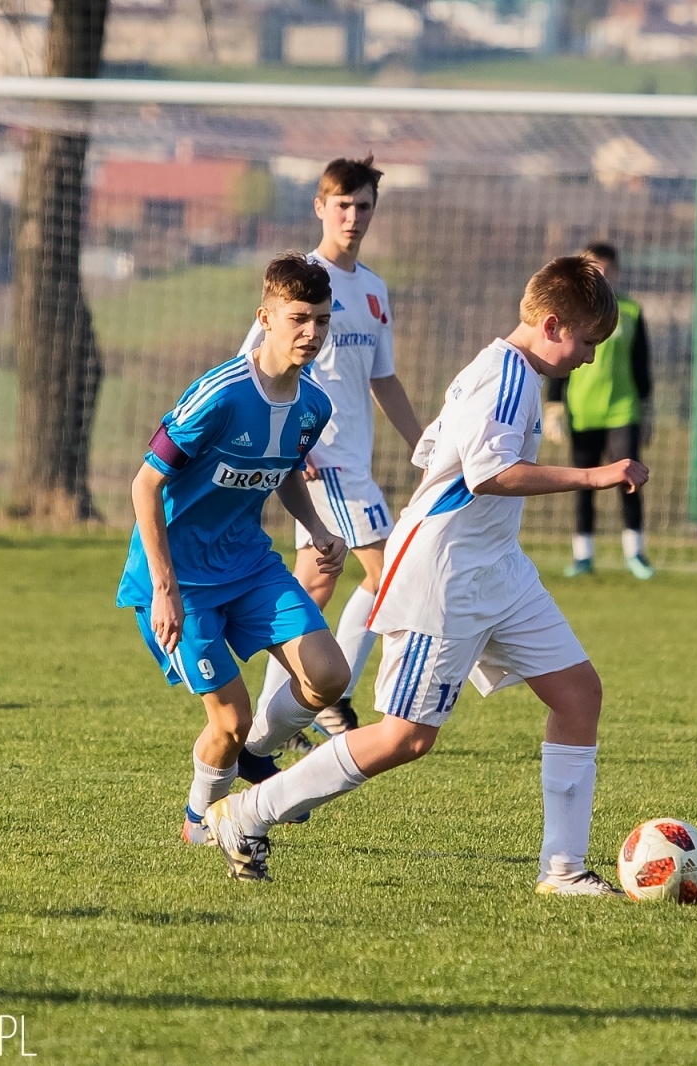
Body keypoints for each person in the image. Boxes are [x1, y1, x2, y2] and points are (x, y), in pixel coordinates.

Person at [203, 255, 648, 890]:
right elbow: (486, 473)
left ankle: (564, 870)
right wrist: (595, 475)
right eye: (585, 342)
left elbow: (433, 448)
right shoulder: (507, 379)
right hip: (447, 576)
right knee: (406, 738)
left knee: (578, 695)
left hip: (499, 568)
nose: (589, 358)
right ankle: (248, 812)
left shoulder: (499, 369)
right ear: (551, 325)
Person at [118, 253, 353, 845]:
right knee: (229, 719)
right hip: (181, 581)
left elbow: (285, 469)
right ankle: (201, 821)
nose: (312, 333)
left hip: (248, 563)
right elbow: (145, 484)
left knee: (328, 676)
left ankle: (256, 757)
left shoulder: (313, 405)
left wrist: (318, 527)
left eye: (322, 321)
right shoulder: (219, 395)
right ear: (266, 317)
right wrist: (165, 590)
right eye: (299, 318)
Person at [239, 155, 423, 740]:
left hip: (354, 459)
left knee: (314, 583)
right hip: (325, 458)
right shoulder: (302, 281)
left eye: (363, 205)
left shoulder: (372, 290)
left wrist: (425, 446)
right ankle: (329, 698)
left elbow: (383, 379)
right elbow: (252, 361)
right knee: (389, 573)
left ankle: (280, 713)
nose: (352, 216)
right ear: (320, 206)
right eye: (341, 204)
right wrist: (288, 442)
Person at [543, 241, 656, 579]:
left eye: (607, 271)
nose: (602, 276)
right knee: (582, 481)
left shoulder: (631, 311)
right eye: (595, 270)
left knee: (630, 479)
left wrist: (648, 408)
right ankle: (583, 555)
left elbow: (641, 364)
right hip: (582, 411)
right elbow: (556, 356)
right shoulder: (572, 312)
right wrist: (553, 403)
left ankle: (635, 553)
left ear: (616, 273)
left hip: (622, 411)